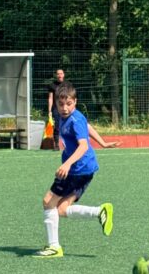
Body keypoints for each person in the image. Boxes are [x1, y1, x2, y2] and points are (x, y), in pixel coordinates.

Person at [36, 82, 114, 257]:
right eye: (61, 104)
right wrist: (102, 142)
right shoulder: (69, 116)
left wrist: (67, 164)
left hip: (77, 169)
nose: (64, 108)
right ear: (56, 104)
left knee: (48, 201)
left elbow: (83, 146)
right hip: (85, 169)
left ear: (75, 102)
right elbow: (87, 126)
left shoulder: (75, 119)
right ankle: (99, 212)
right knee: (61, 209)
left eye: (69, 104)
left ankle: (54, 247)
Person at [47, 68, 66, 150]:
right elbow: (50, 98)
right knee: (57, 126)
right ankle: (57, 145)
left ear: (63, 75)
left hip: (66, 109)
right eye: (58, 74)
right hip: (56, 108)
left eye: (61, 73)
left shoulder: (67, 85)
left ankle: (68, 144)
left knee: (67, 126)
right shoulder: (52, 85)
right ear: (56, 75)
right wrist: (49, 111)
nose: (59, 75)